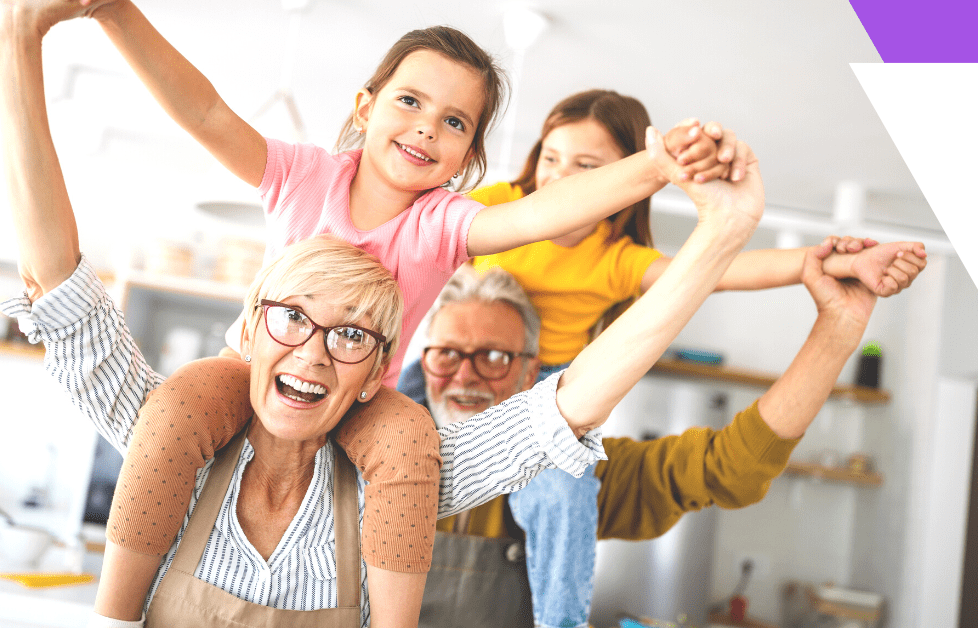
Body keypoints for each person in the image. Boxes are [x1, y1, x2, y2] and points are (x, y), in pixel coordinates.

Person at [0, 0, 768, 622]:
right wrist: (113, 11)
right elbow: (203, 113)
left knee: (408, 443)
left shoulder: (442, 223)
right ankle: (112, 613)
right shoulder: (301, 175)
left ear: (468, 159)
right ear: (365, 107)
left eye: (455, 122)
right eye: (410, 101)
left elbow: (545, 213)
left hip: (368, 404)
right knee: (174, 407)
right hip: (238, 376)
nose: (429, 126)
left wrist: (657, 167)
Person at [396, 88, 927, 628]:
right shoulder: (497, 209)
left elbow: (714, 277)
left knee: (562, 492)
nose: (559, 182)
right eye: (551, 160)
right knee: (385, 450)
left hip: (555, 394)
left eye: (587, 169)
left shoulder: (612, 260)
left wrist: (830, 278)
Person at [411, 249, 920, 627]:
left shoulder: (573, 475)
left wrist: (836, 328)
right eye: (447, 354)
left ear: (530, 373)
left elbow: (730, 466)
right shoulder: (378, 461)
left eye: (495, 357)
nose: (465, 376)